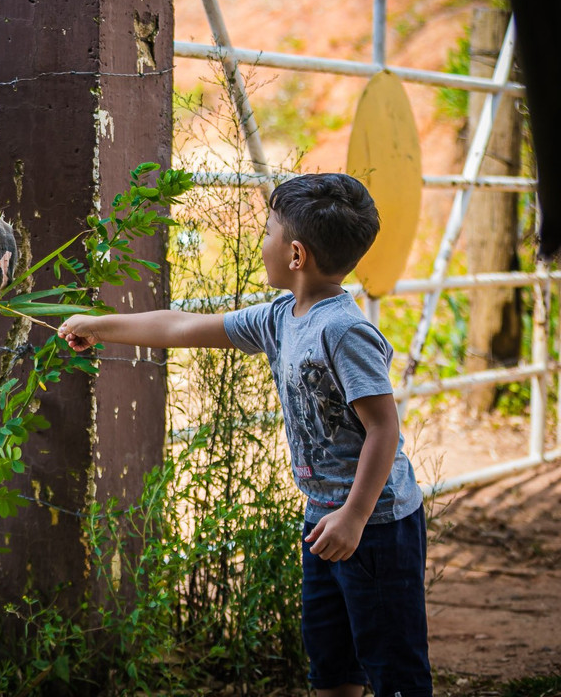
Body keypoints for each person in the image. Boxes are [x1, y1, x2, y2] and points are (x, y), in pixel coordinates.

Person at [59, 173, 432, 697]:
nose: (262, 241)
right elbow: (183, 327)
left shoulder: (343, 331)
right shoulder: (281, 316)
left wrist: (354, 516)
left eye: (267, 231)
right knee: (332, 665)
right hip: (323, 516)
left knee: (394, 669)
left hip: (375, 525)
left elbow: (384, 429)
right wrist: (100, 325)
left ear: (295, 255)